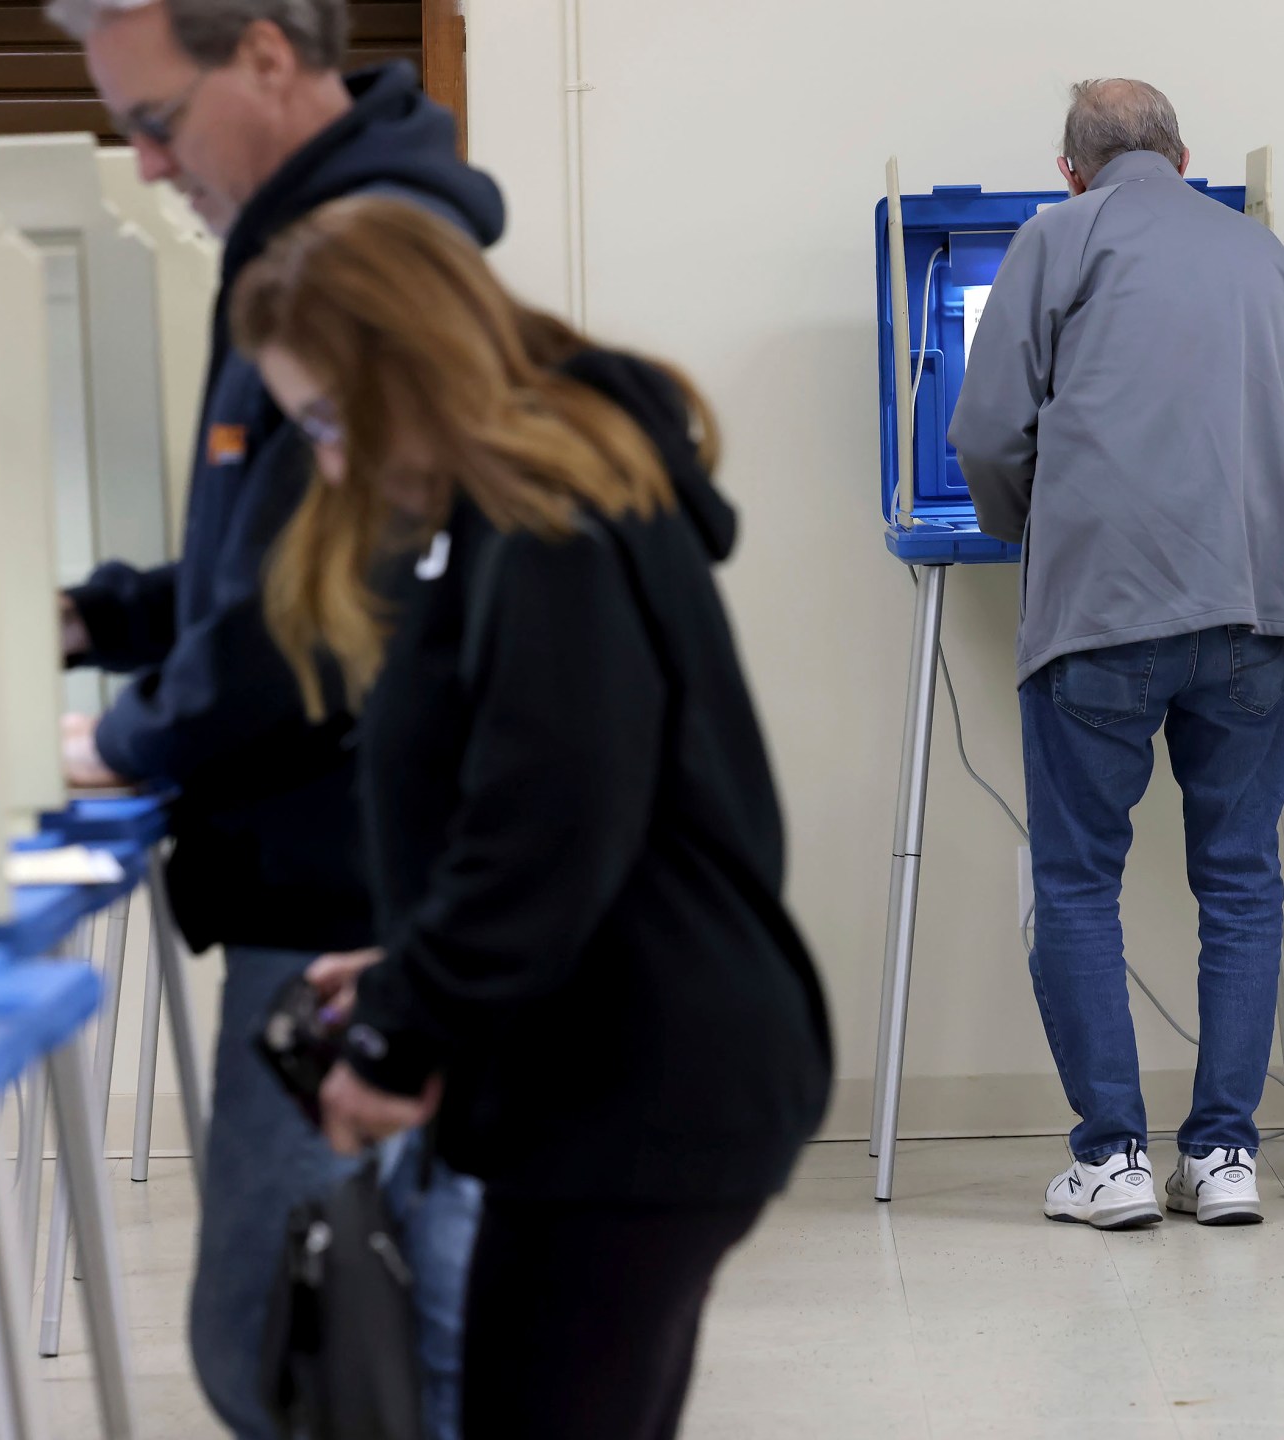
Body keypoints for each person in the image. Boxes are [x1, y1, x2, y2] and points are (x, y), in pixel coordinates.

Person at [232, 195, 832, 1438]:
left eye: (338, 421)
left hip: (637, 1081)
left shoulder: (541, 513)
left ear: (417, 361)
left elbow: (547, 822)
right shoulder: (525, 500)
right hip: (627, 1059)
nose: (335, 463)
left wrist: (402, 1031)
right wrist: (418, 969)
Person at [41, 1, 498, 1433]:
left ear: (263, 56)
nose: (150, 168)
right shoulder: (321, 234)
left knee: (294, 1342)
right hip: (337, 869)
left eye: (159, 122)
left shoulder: (358, 255)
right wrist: (106, 617)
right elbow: (274, 558)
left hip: (347, 887)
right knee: (326, 1337)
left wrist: (124, 737)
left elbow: (324, 612)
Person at [949, 79, 1284, 1230]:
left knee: (1077, 883)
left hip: (1102, 617)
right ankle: (1223, 1158)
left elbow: (983, 431)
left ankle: (1111, 1162)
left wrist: (1041, 520)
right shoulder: (1260, 252)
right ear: (1183, 154)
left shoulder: (1054, 235)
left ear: (1069, 169)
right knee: (1239, 884)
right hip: (1254, 615)